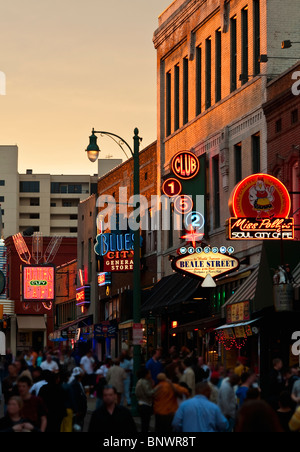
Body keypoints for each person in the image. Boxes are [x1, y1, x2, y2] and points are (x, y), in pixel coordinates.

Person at [135, 367, 155, 433]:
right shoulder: (145, 382)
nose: (150, 374)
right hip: (145, 403)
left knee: (144, 423)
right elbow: (149, 393)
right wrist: (156, 389)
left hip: (141, 403)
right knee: (145, 423)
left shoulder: (140, 381)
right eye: (149, 373)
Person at [68, 367, 87, 432]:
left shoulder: (79, 383)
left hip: (81, 410)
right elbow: (75, 398)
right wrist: (77, 410)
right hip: (78, 410)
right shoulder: (74, 384)